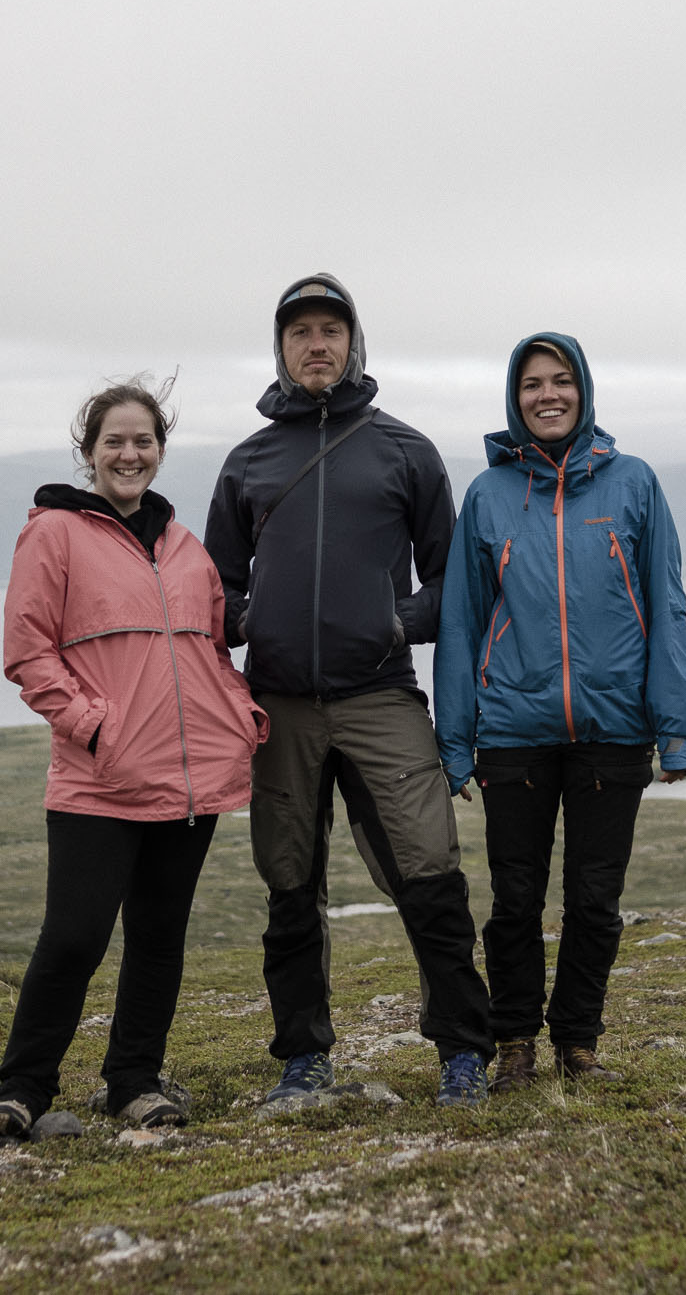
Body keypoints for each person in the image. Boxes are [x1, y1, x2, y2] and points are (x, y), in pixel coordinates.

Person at [204, 273, 496, 1107]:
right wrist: (252, 614)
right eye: (300, 333)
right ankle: (304, 1057)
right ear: (282, 350)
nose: (317, 345)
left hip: (380, 696)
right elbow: (213, 591)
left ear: (353, 343)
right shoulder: (248, 462)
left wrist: (397, 620)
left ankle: (462, 1051)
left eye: (331, 330)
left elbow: (451, 584)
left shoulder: (405, 450)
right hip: (282, 704)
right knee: (289, 883)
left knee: (431, 869)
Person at [0, 377, 267, 1142]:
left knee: (158, 935)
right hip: (98, 777)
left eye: (143, 441)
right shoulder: (55, 533)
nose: (130, 453)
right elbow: (28, 652)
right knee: (74, 936)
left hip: (190, 778)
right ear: (90, 452)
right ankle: (24, 1086)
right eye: (115, 441)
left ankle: (133, 1080)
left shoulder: (184, 546)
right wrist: (92, 726)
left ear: (161, 451)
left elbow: (210, 648)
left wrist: (239, 713)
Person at [435, 332, 686, 1093]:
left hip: (614, 732)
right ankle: (514, 1038)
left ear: (584, 391)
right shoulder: (488, 495)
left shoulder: (634, 484)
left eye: (560, 382)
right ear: (514, 399)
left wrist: (675, 723)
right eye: (531, 385)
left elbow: (667, 606)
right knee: (514, 897)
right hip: (513, 734)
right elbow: (460, 622)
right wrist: (455, 742)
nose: (546, 396)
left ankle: (577, 1040)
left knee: (595, 898)